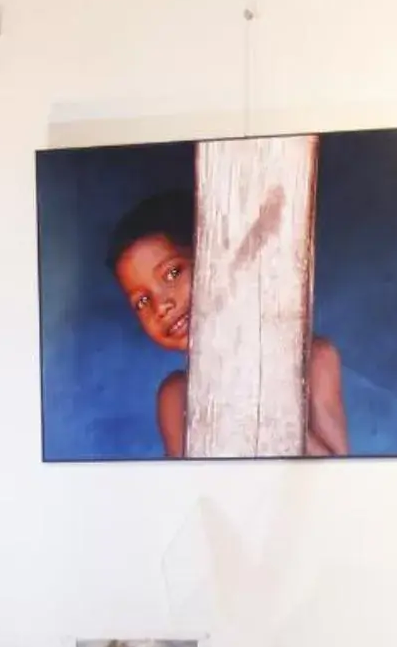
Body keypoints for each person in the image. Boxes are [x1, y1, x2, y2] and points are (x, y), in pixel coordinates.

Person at [106, 190, 350, 457]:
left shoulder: (315, 359)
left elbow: (334, 478)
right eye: (142, 301)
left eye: (173, 273)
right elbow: (186, 491)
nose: (161, 305)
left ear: (215, 261)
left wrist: (252, 398)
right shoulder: (175, 396)